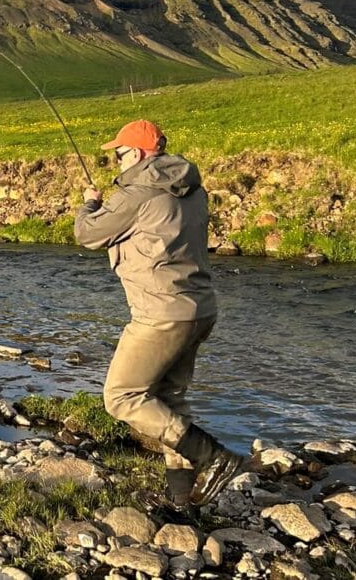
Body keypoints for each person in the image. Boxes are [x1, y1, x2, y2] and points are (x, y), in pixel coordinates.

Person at [74, 119, 243, 508]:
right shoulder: (193, 187)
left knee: (122, 396)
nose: (116, 162)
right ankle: (181, 499)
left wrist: (90, 202)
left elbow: (88, 235)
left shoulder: (136, 193)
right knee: (170, 399)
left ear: (135, 154)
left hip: (160, 313)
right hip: (200, 309)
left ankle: (214, 457)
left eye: (118, 154)